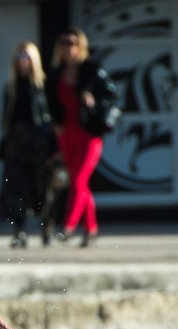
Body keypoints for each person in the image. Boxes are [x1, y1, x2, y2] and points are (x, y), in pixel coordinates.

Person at [46, 26, 118, 248]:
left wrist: (94, 100)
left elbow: (112, 94)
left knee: (77, 180)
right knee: (81, 184)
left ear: (81, 46)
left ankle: (68, 226)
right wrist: (55, 124)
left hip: (89, 133)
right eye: (64, 43)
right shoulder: (56, 73)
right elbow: (50, 103)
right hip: (66, 133)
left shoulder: (92, 70)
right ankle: (92, 229)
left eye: (72, 43)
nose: (68, 48)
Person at [0, 41, 55, 248]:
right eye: (20, 57)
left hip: (38, 141)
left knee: (43, 187)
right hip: (16, 142)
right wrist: (4, 143)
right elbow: (5, 120)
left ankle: (47, 228)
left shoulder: (42, 86)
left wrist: (52, 146)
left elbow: (49, 118)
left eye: (26, 57)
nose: (23, 61)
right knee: (16, 187)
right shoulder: (11, 87)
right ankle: (19, 231)